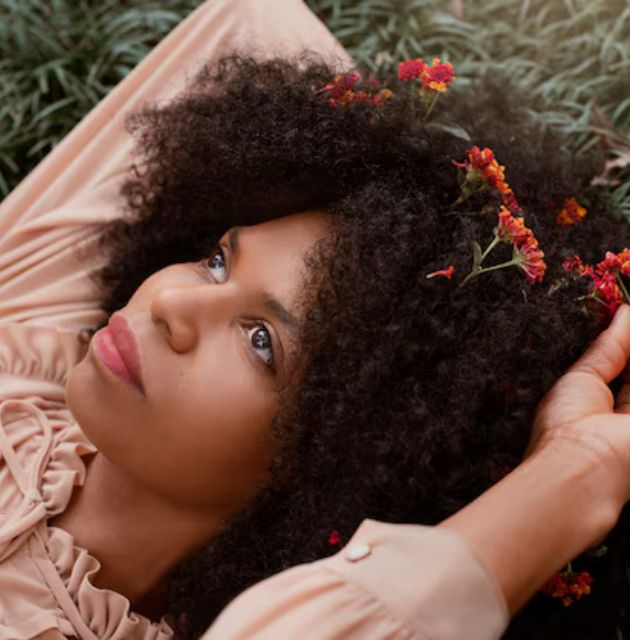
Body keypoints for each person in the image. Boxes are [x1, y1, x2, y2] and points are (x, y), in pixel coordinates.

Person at [1, 1, 629, 640]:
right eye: (217, 261)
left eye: (259, 341)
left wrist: (580, 467)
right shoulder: (25, 346)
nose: (169, 304)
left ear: (330, 469)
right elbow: (253, 20)